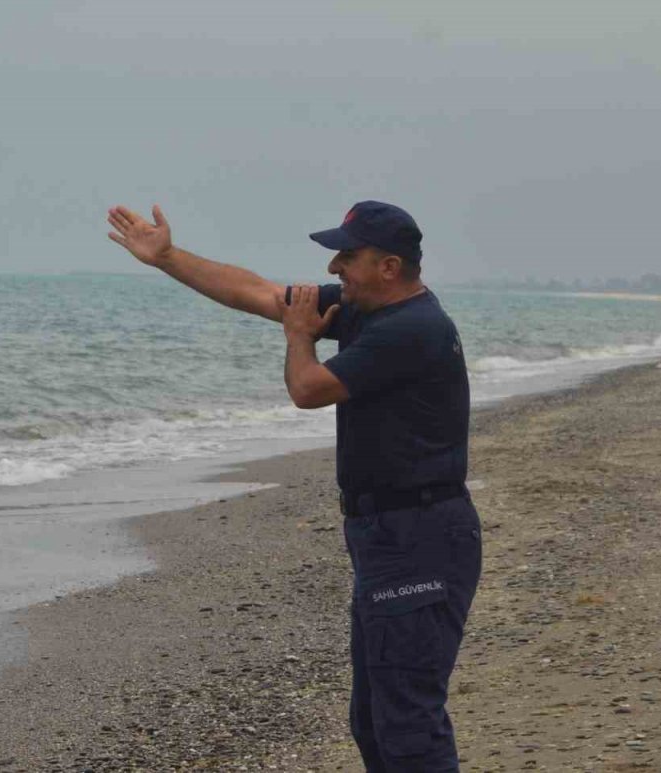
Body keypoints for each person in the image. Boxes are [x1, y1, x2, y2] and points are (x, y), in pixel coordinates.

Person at [106, 200, 482, 772]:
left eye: (347, 256)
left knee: (407, 720)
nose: (334, 267)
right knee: (374, 719)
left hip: (419, 536)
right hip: (388, 534)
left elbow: (307, 389)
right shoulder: (370, 309)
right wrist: (167, 258)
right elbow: (257, 291)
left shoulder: (412, 329)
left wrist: (299, 337)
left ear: (388, 266)